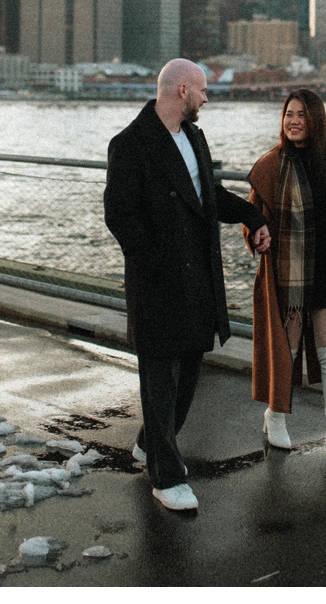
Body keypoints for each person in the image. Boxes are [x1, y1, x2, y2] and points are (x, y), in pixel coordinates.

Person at [103, 58, 268, 512]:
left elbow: (209, 197)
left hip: (198, 279)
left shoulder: (194, 137)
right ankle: (166, 476)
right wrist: (154, 260)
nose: (206, 98)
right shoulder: (131, 144)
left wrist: (254, 216)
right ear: (180, 91)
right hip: (158, 281)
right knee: (159, 377)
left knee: (189, 374)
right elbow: (119, 215)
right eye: (201, 90)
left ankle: (149, 441)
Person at [244, 88, 326, 473]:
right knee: (284, 351)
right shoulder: (271, 166)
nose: (294, 121)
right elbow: (251, 218)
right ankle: (276, 416)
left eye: (302, 114)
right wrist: (256, 234)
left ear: (316, 120)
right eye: (289, 114)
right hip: (287, 275)